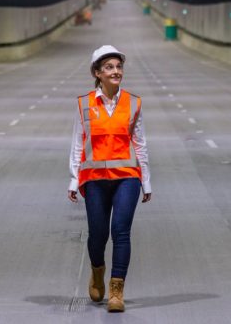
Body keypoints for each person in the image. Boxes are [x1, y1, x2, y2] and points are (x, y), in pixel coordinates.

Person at [68, 45, 152, 313]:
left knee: (121, 231)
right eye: (109, 67)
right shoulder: (84, 104)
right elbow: (77, 144)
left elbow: (140, 145)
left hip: (127, 176)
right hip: (94, 178)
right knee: (98, 235)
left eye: (118, 67)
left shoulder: (133, 103)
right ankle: (97, 271)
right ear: (97, 73)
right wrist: (73, 179)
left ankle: (117, 290)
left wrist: (146, 181)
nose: (116, 72)